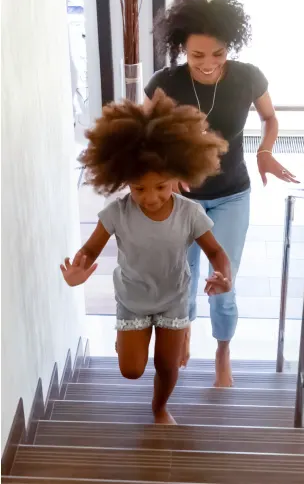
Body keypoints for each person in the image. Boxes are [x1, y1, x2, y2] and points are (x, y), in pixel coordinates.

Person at [144, 0, 299, 387]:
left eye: (218, 53)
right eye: (197, 56)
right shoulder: (165, 83)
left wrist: (265, 151)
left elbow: (269, 118)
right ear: (182, 50)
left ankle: (223, 350)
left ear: (230, 45)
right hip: (180, 201)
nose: (209, 63)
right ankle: (186, 331)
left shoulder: (248, 77)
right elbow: (143, 134)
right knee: (184, 277)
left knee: (222, 281)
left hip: (232, 193)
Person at [60, 90, 232, 424]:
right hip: (133, 299)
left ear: (177, 178)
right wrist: (78, 268)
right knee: (131, 371)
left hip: (173, 299)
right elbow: (91, 249)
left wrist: (223, 275)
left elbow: (215, 251)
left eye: (161, 187)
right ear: (123, 180)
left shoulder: (190, 213)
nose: (150, 197)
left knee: (168, 366)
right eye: (139, 189)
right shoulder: (117, 213)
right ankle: (126, 344)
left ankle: (159, 408)